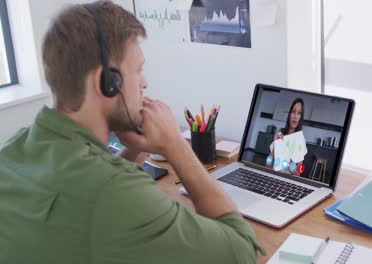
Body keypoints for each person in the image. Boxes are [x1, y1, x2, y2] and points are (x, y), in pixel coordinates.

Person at [0, 1, 263, 263]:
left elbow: (90, 186)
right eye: (138, 70)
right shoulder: (115, 194)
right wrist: (175, 146)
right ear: (107, 82)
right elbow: (242, 251)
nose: (145, 82)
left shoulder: (13, 151)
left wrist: (137, 146)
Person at [270, 98, 305, 176]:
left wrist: (290, 164)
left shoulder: (300, 142)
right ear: (289, 115)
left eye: (299, 113)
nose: (295, 116)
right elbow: (267, 166)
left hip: (287, 182)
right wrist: (275, 145)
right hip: (272, 177)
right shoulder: (279, 136)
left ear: (300, 118)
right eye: (293, 112)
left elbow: (298, 174)